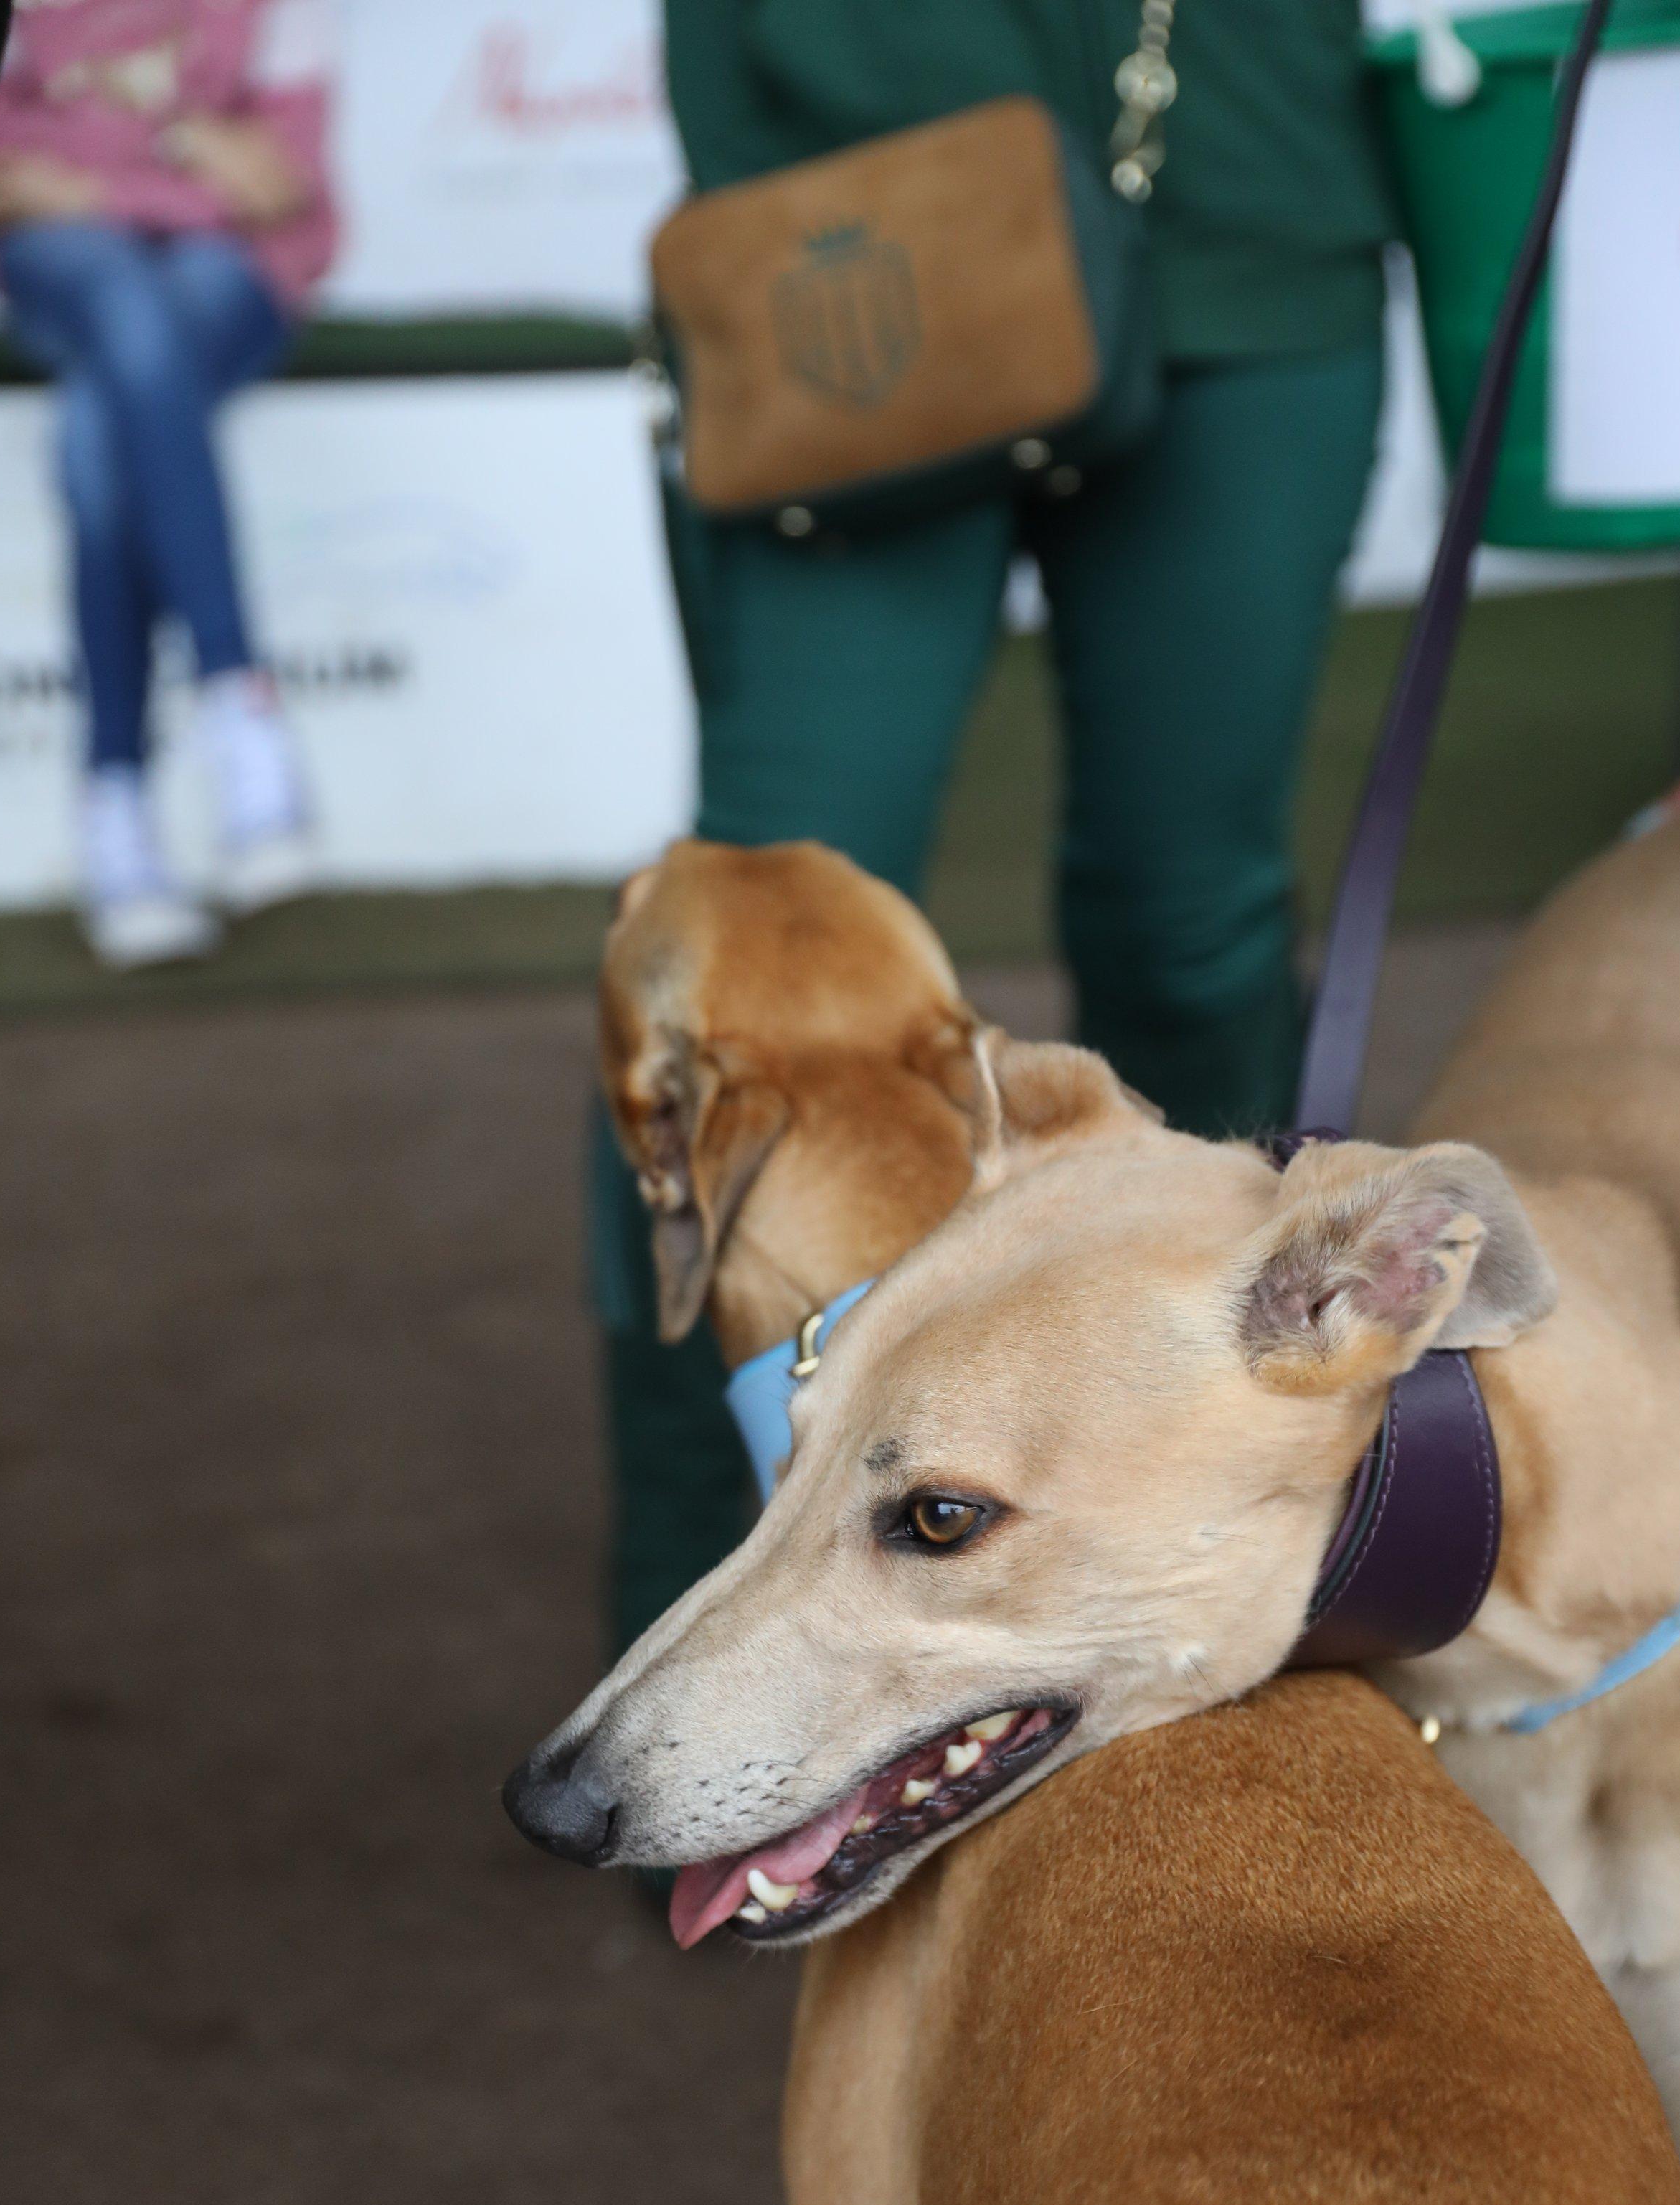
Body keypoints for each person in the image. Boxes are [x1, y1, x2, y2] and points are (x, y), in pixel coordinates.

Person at [600, 0, 1394, 1652]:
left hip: (1234, 205)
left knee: (1192, 922)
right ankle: (684, 1595)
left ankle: (1216, 1577)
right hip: (848, 196)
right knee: (749, 988)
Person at [0, 0, 336, 967]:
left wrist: (92, 172)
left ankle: (116, 803)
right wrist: (184, 153)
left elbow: (281, 187)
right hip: (82, 264)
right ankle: (237, 703)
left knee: (100, 429)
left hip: (223, 272)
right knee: (125, 306)